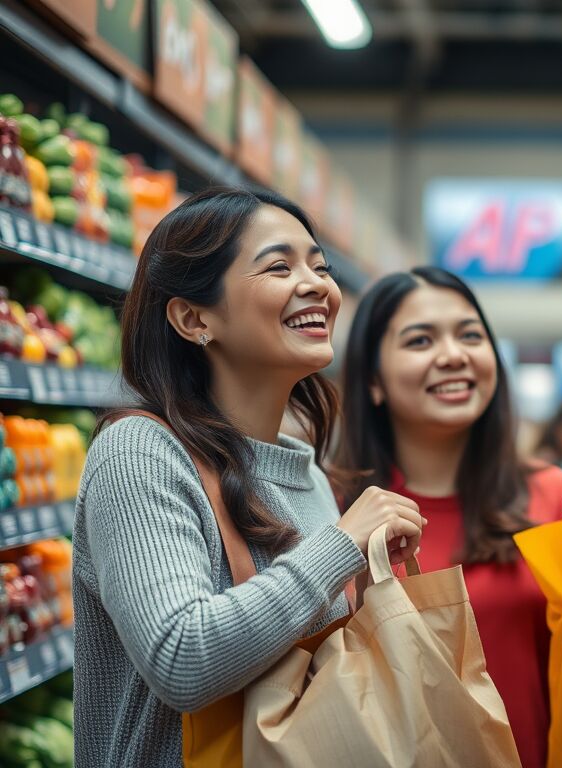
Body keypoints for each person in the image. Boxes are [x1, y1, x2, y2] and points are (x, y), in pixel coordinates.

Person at [72, 188, 424, 767]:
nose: (317, 285)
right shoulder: (139, 454)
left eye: (320, 265)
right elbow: (182, 659)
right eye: (279, 266)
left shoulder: (304, 472)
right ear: (193, 318)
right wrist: (338, 548)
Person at [333, 266, 562, 768]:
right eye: (420, 340)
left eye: (470, 335)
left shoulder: (552, 495)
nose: (454, 355)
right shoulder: (335, 509)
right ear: (373, 379)